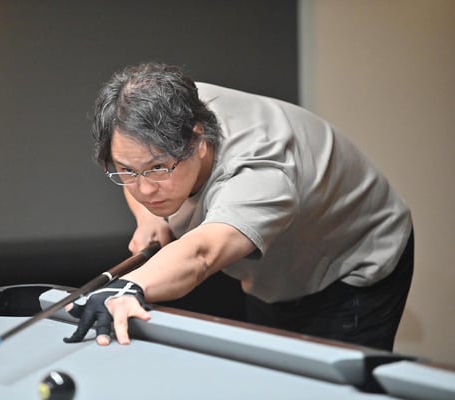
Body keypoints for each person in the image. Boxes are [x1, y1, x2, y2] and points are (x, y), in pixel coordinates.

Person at [64, 62, 414, 351]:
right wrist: (147, 218)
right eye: (126, 171)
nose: (142, 188)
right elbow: (139, 168)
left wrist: (131, 285)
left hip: (354, 261)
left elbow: (202, 254)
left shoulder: (260, 172)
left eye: (158, 168)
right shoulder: (165, 108)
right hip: (277, 269)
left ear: (198, 141)